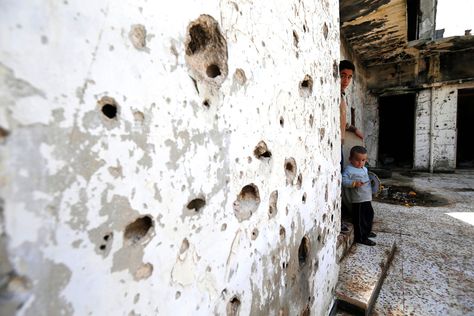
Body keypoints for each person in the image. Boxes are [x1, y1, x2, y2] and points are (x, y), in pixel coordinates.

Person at [339, 60, 363, 234]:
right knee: (336, 182)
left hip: (338, 144)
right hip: (331, 146)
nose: (346, 80)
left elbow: (342, 121)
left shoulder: (341, 95)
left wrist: (354, 129)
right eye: (342, 76)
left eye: (349, 77)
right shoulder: (333, 93)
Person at [342, 146, 376, 246]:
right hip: (358, 199)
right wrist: (353, 183)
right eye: (357, 160)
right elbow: (343, 181)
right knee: (359, 219)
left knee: (369, 215)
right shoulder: (349, 170)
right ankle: (361, 237)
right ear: (350, 159)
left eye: (363, 160)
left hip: (366, 197)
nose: (360, 163)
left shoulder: (364, 169)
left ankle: (367, 231)